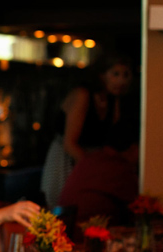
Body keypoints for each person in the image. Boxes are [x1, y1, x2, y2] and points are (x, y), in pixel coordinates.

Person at [40, 52, 137, 208]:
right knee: (62, 208)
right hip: (67, 158)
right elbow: (69, 144)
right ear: (101, 75)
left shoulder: (113, 100)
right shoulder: (83, 94)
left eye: (126, 75)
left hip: (90, 161)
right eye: (115, 74)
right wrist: (92, 170)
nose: (121, 80)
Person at [57, 130, 140, 239]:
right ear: (134, 148)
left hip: (65, 234)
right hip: (85, 241)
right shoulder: (118, 166)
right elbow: (138, 209)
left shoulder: (91, 159)